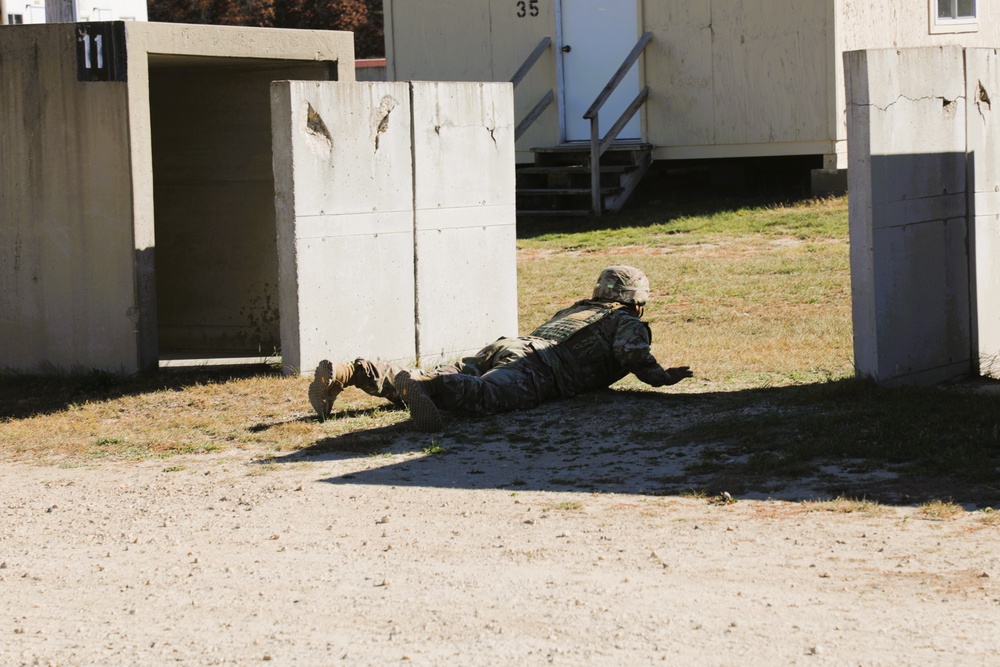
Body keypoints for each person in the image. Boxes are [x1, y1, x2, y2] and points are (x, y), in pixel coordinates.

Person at [308, 265, 693, 432]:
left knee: (454, 372)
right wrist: (661, 378)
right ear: (636, 299)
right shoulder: (625, 321)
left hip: (508, 345)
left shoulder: (577, 309)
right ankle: (430, 389)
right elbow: (632, 354)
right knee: (486, 396)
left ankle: (350, 371)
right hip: (540, 365)